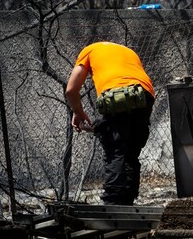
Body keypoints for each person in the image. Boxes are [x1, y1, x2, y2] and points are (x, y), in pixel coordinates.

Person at [65, 41, 155, 206]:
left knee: (116, 152)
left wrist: (78, 112)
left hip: (117, 94)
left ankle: (112, 203)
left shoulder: (89, 50)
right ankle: (128, 200)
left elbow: (71, 90)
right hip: (144, 95)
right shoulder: (129, 51)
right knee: (130, 153)